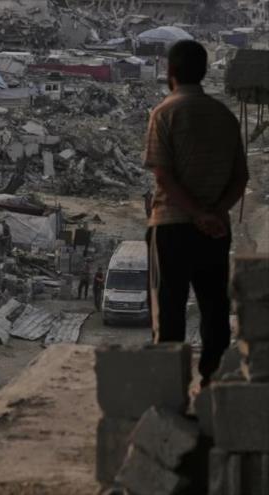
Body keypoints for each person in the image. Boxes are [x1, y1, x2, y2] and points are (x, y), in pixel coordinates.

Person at [143, 40, 248, 387]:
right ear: (203, 72)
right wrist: (213, 213)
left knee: (170, 311)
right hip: (216, 232)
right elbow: (240, 178)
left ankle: (171, 396)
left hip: (171, 227)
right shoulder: (225, 117)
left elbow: (162, 176)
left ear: (169, 72)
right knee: (214, 307)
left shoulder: (165, 113)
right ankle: (211, 382)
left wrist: (194, 213)